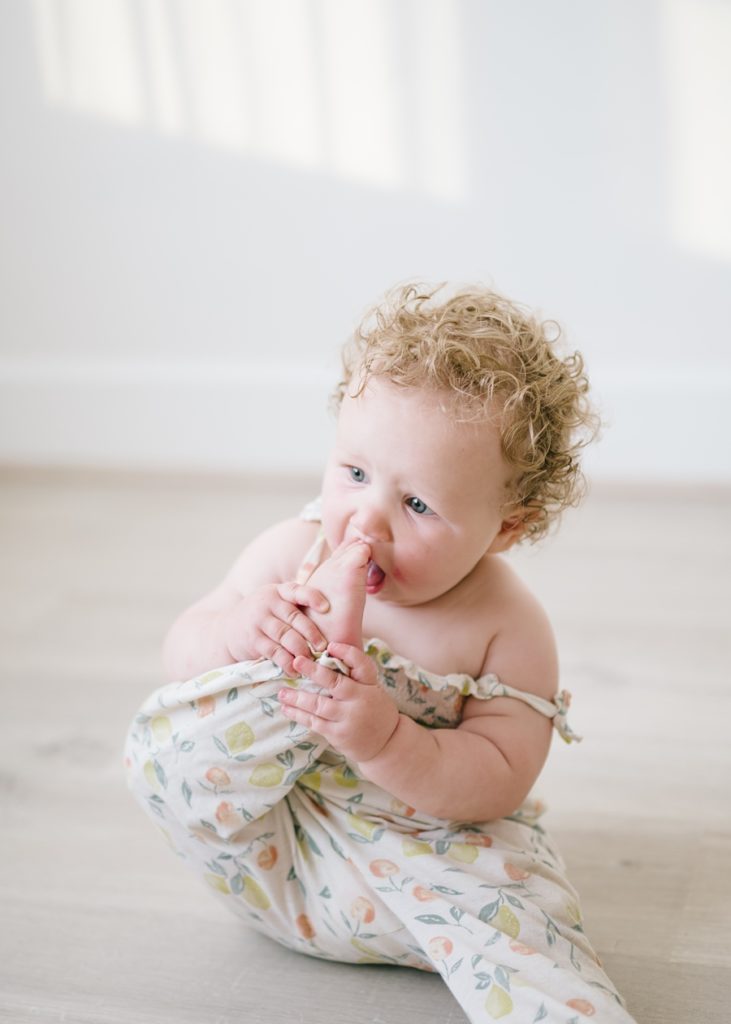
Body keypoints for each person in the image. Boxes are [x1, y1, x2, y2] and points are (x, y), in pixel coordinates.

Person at [125, 283, 636, 1023]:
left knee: (525, 915)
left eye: (417, 504)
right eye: (355, 474)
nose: (366, 518)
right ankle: (282, 673)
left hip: (418, 876)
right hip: (266, 851)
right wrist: (242, 631)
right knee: (167, 735)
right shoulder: (293, 551)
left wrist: (390, 739)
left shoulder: (506, 626)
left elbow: (497, 778)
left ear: (503, 529)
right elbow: (181, 652)